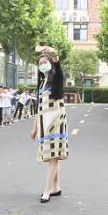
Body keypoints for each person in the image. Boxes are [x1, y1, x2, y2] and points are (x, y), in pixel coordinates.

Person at [31, 46, 67, 203]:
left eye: (45, 62)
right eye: (40, 63)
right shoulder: (41, 83)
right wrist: (34, 128)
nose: (43, 65)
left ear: (51, 63)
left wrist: (54, 54)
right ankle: (56, 187)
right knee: (53, 156)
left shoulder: (55, 79)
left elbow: (58, 70)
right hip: (44, 122)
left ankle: (47, 190)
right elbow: (39, 108)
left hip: (56, 121)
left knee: (52, 156)